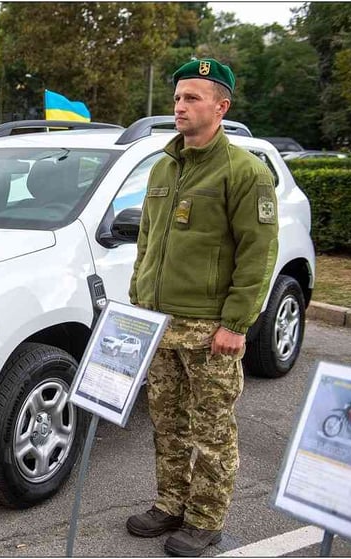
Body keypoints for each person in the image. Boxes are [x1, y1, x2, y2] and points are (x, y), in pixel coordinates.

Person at [126, 58, 279, 557]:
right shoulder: (164, 166)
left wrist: (237, 323)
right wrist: (138, 301)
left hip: (210, 328)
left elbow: (258, 254)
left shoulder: (245, 172)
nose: (180, 106)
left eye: (192, 98)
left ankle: (206, 519)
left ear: (221, 106)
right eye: (177, 98)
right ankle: (171, 503)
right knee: (167, 422)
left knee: (212, 429)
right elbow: (147, 240)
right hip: (160, 324)